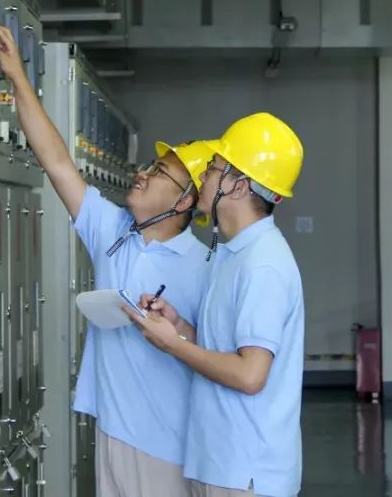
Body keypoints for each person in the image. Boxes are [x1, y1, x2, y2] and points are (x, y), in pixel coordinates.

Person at [0, 21, 211, 497]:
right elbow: (57, 161)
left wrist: (177, 331)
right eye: (148, 165)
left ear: (184, 201)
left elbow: (220, 357)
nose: (142, 174)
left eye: (159, 172)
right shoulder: (113, 230)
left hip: (167, 445)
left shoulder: (204, 267)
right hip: (112, 430)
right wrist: (17, 75)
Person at [124, 113, 305, 497]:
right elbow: (224, 349)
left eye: (213, 168)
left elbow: (250, 375)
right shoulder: (232, 253)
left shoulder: (263, 264)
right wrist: (178, 327)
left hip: (246, 471)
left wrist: (172, 345)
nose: (203, 176)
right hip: (220, 461)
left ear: (238, 186)